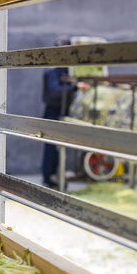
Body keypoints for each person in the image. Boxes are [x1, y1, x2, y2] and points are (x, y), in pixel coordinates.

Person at [41, 36, 89, 188]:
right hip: (53, 111)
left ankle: (54, 177)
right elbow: (55, 91)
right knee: (51, 148)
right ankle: (49, 178)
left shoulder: (63, 69)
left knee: (57, 148)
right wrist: (74, 87)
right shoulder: (54, 70)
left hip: (61, 110)